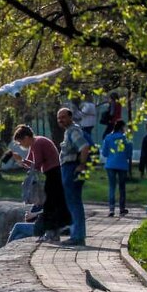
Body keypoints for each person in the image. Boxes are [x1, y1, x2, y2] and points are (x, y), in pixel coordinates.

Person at [2, 124, 70, 243]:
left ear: (27, 137)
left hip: (54, 173)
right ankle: (52, 233)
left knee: (50, 205)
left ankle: (52, 233)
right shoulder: (35, 144)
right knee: (50, 204)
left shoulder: (37, 143)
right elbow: (32, 165)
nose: (20, 145)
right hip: (51, 173)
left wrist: (22, 160)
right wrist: (20, 160)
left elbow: (36, 165)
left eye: (20, 142)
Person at [57, 106, 92, 247]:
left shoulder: (73, 131)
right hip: (68, 168)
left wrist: (81, 164)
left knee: (74, 203)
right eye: (59, 118)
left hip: (71, 168)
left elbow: (84, 147)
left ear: (70, 117)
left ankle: (77, 236)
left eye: (63, 117)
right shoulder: (69, 132)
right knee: (73, 202)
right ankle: (76, 234)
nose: (61, 120)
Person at [101, 119, 131, 217]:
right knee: (122, 187)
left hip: (110, 164)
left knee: (112, 187)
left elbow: (104, 153)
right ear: (122, 127)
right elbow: (128, 154)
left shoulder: (108, 137)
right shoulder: (125, 138)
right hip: (122, 165)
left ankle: (111, 209)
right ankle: (122, 208)